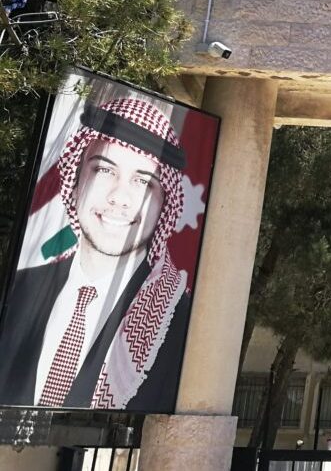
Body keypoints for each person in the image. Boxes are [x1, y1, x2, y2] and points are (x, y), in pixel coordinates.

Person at [0, 96, 192, 411]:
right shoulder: (20, 288)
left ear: (164, 205)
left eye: (143, 181)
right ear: (76, 181)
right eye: (104, 170)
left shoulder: (178, 319)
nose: (119, 197)